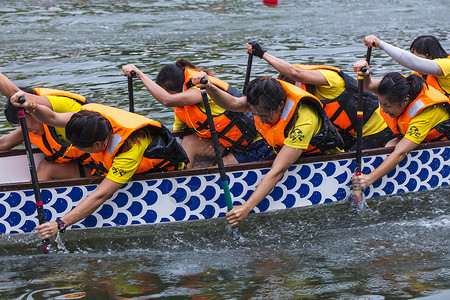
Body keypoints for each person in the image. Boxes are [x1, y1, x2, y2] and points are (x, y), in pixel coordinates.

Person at [10, 91, 188, 238]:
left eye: (84, 149)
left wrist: (61, 223)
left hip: (159, 178)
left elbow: (101, 196)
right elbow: (53, 117)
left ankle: (50, 222)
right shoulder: (88, 119)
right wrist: (31, 106)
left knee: (99, 188)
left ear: (98, 145)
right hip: (109, 168)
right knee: (50, 166)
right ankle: (38, 218)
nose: (82, 153)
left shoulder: (128, 150)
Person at [192, 73, 344, 226]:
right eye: (256, 115)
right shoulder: (262, 98)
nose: (262, 120)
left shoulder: (303, 121)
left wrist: (246, 208)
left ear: (280, 106)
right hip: (282, 149)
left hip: (320, 158)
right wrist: (210, 88)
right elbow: (232, 103)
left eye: (265, 116)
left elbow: (277, 171)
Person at [122, 59, 273, 169]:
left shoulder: (201, 88)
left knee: (217, 169)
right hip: (229, 144)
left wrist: (141, 75)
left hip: (256, 144)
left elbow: (167, 100)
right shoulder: (183, 106)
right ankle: (181, 182)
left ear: (178, 90)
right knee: (188, 142)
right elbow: (177, 135)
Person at [246, 41, 396, 151]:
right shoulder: (302, 99)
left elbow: (294, 73)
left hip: (379, 129)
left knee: (345, 160)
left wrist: (261, 53)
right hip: (352, 133)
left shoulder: (331, 80)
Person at [351, 63, 450, 191]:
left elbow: (401, 153)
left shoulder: (425, 112)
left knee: (394, 147)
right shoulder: (394, 87)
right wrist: (366, 74)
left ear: (405, 101)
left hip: (442, 143)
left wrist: (369, 179)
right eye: (381, 104)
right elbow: (368, 86)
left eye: (387, 105)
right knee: (390, 145)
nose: (384, 109)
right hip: (419, 136)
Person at [0, 72, 104, 181]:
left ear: (30, 109)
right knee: (47, 167)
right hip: (91, 167)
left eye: (23, 122)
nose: (25, 128)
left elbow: (15, 94)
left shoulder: (61, 108)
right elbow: (4, 143)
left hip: (112, 167)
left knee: (47, 168)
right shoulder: (32, 126)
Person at [364, 34, 450, 97]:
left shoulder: (447, 65)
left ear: (430, 56)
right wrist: (365, 74)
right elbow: (370, 86)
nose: (412, 58)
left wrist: (381, 44)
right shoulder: (417, 76)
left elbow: (414, 63)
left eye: (415, 55)